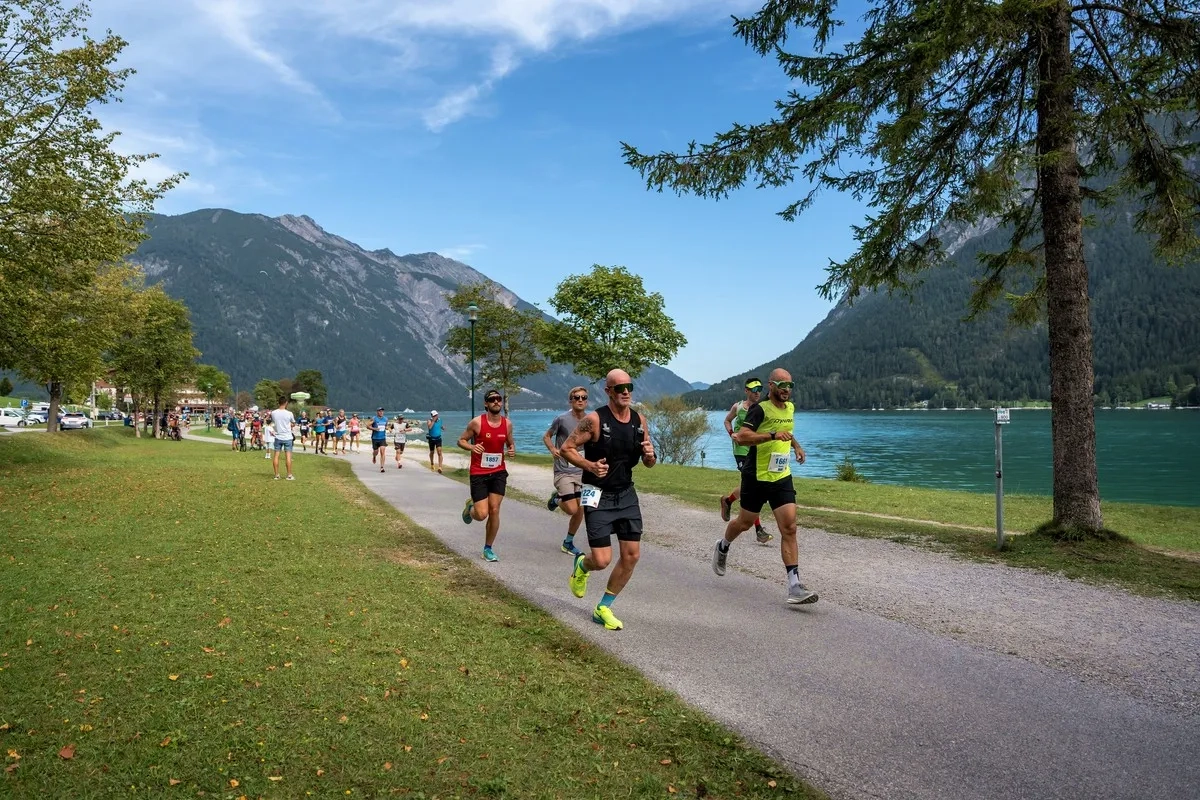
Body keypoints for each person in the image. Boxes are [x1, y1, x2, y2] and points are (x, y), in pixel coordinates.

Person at [712, 368, 818, 605]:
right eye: (782, 385)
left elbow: (786, 432)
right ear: (771, 385)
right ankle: (723, 546)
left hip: (781, 476)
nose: (786, 389)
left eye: (790, 385)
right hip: (756, 476)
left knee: (789, 528)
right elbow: (742, 436)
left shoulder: (790, 408)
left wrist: (796, 446)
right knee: (744, 523)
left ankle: (795, 586)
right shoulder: (759, 409)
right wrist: (771, 435)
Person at [561, 369, 656, 631]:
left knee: (631, 555)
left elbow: (648, 461)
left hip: (626, 494)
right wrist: (589, 466)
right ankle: (582, 564)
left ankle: (603, 607)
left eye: (629, 387)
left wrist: (650, 456)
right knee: (601, 560)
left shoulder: (639, 420)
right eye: (619, 388)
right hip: (596, 493)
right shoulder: (594, 420)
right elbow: (566, 448)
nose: (625, 392)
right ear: (608, 391)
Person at [458, 390, 515, 562]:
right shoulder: (477, 423)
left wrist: (511, 449)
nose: (496, 402)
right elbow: (461, 440)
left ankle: (488, 548)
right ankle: (470, 509)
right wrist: (472, 447)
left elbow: (510, 442)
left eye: (499, 399)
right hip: (479, 473)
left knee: (494, 509)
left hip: (498, 472)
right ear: (486, 403)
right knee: (482, 514)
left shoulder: (507, 424)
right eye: (492, 399)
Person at [720, 378, 772, 545]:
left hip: (756, 451)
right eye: (753, 389)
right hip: (741, 451)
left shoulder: (762, 407)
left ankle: (728, 501)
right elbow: (727, 420)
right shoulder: (738, 407)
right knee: (751, 487)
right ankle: (759, 529)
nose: (757, 392)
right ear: (746, 391)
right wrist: (731, 434)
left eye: (759, 389)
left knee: (748, 487)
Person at [543, 386, 590, 556]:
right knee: (571, 509)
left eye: (583, 397)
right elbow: (547, 436)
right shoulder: (561, 419)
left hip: (582, 470)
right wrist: (552, 449)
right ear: (571, 401)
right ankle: (556, 499)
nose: (580, 400)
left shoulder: (590, 420)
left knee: (581, 510)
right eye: (576, 397)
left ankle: (568, 543)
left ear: (587, 401)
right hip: (563, 470)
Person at [270, 395, 296, 480]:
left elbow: (274, 422)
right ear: (286, 403)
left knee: (276, 455)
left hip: (278, 436)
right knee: (288, 456)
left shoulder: (273, 413)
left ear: (279, 403)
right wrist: (290, 425)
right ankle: (289, 475)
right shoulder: (289, 413)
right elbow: (293, 423)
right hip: (287, 436)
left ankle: (276, 474)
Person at [370, 406, 388, 472]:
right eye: (380, 411)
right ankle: (374, 456)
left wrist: (388, 428)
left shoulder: (385, 419)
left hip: (382, 438)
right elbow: (368, 426)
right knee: (376, 452)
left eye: (382, 411)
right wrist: (374, 429)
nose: (381, 412)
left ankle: (382, 467)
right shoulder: (374, 418)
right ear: (377, 412)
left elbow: (385, 426)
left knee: (382, 452)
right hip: (375, 438)